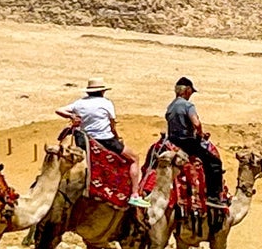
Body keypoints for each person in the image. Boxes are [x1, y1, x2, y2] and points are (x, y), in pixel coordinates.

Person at [57, 78, 145, 208]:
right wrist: (116, 137)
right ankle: (134, 195)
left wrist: (72, 116)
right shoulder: (106, 103)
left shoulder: (79, 103)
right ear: (102, 91)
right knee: (134, 158)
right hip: (105, 139)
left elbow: (59, 110)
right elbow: (112, 125)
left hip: (85, 141)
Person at [165, 77, 223, 214]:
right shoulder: (188, 106)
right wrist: (201, 133)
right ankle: (213, 196)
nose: (191, 95)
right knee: (214, 163)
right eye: (191, 92)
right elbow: (196, 123)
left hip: (172, 141)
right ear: (187, 90)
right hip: (187, 143)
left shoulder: (171, 106)